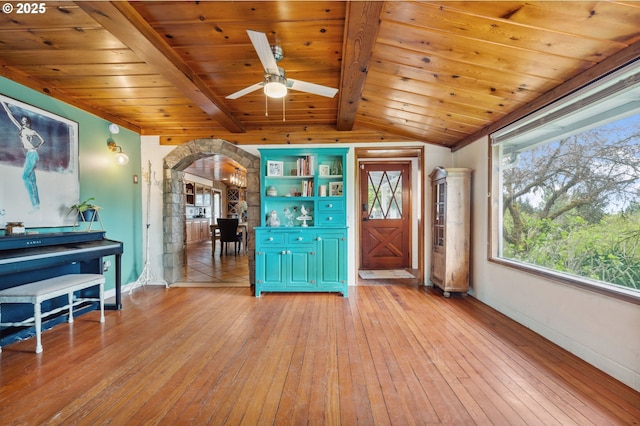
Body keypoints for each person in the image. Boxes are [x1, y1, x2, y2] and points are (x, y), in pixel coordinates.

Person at [2, 102, 45, 209]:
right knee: (33, 180)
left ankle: (34, 204)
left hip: (33, 154)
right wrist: (4, 105)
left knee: (25, 176)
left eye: (25, 121)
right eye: (22, 121)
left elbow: (42, 140)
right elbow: (11, 116)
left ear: (28, 122)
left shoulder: (32, 131)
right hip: (30, 155)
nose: (23, 122)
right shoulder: (21, 129)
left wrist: (36, 147)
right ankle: (37, 204)